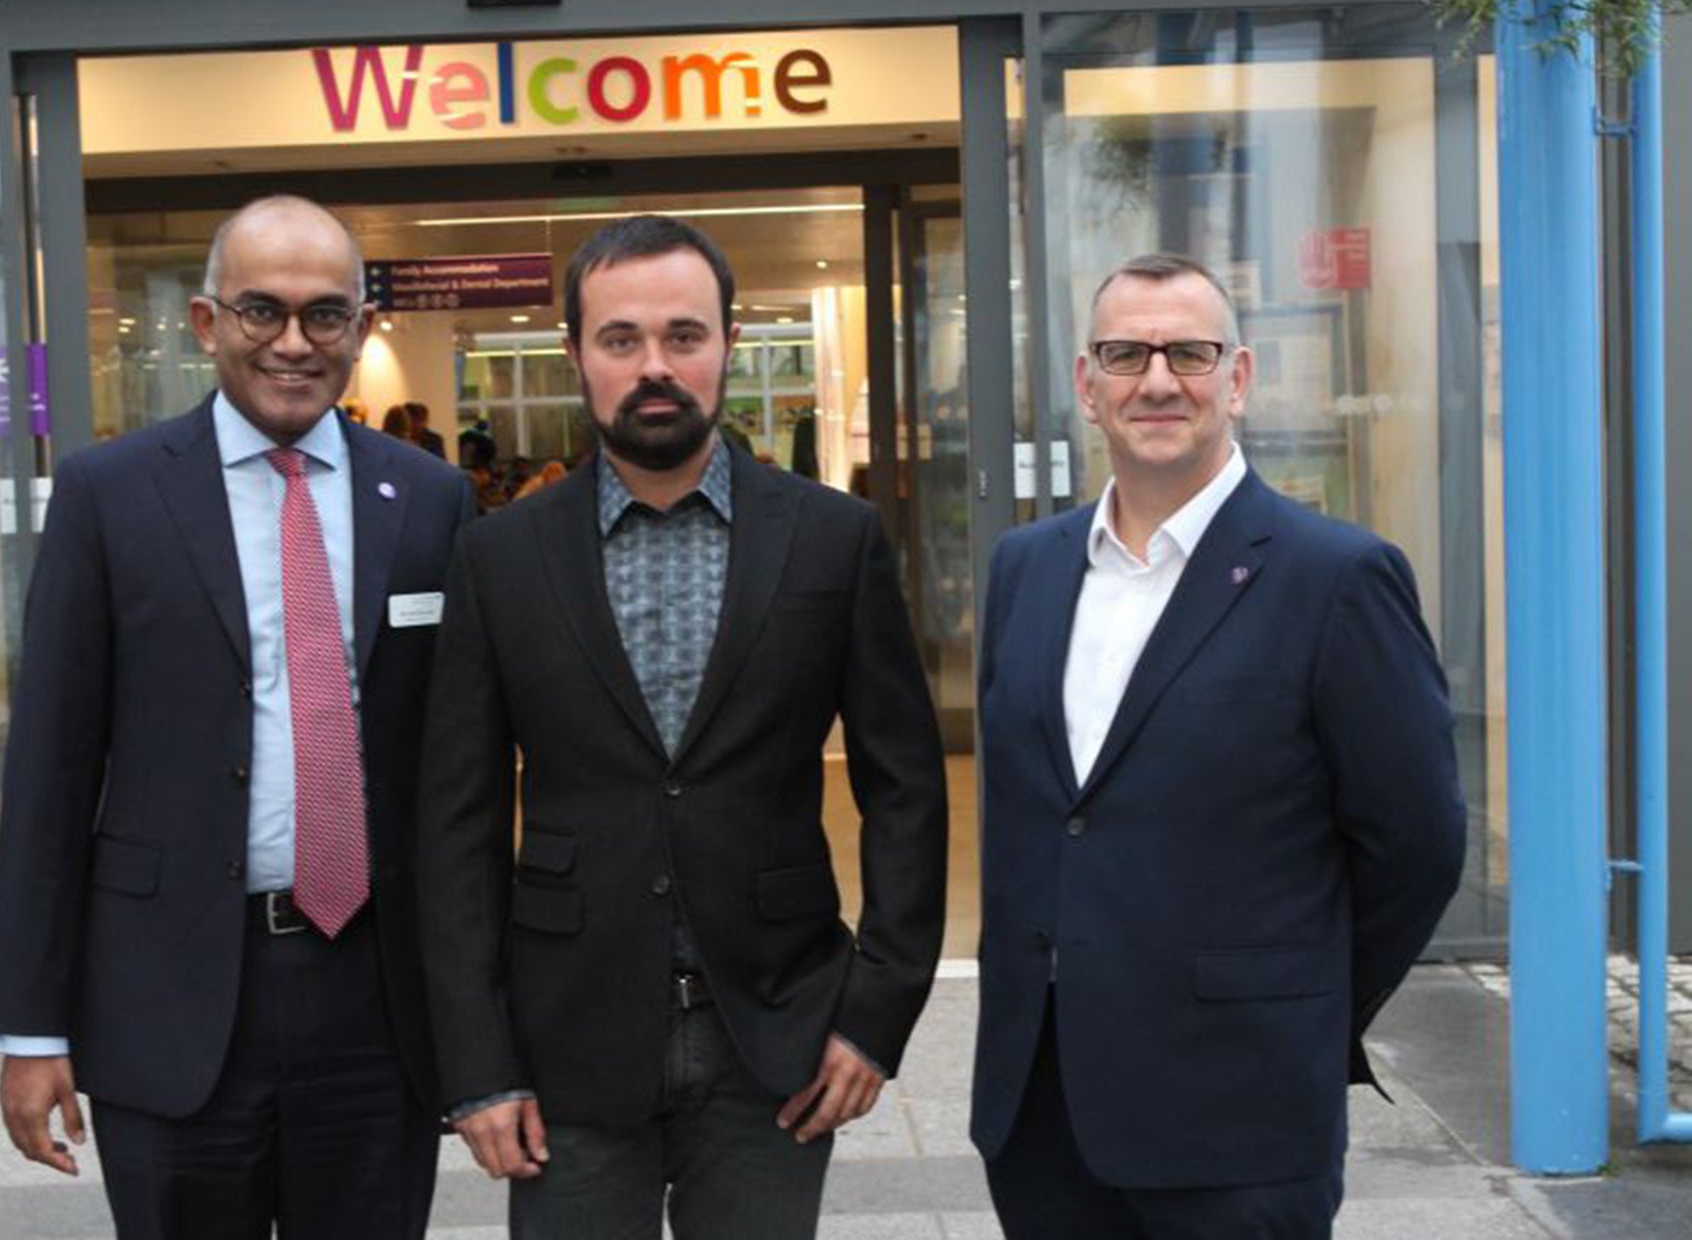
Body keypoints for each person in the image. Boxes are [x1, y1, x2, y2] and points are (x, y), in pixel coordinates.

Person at [417, 215, 948, 1239]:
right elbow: (454, 825)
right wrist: (476, 1065)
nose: (653, 366)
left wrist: (874, 1015)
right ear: (573, 353)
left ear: (728, 346)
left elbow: (906, 792)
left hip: (776, 1042)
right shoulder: (500, 558)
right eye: (620, 340)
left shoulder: (833, 541)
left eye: (682, 336)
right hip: (565, 1046)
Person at [0, 195, 477, 1240]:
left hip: (375, 1004)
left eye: (325, 315)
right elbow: (51, 772)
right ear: (207, 324)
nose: (293, 343)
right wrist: (28, 1027)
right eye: (261, 311)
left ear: (360, 329)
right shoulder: (109, 494)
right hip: (168, 995)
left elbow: (463, 767)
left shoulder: (430, 501)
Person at [970, 253, 1465, 1239]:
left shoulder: (1335, 579)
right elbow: (1040, 820)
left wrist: (1295, 1005)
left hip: (1238, 1117)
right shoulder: (1023, 567)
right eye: (1124, 355)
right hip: (1041, 1115)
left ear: (1236, 378)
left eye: (1186, 354)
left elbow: (1414, 845)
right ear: (1085, 384)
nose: (1155, 381)